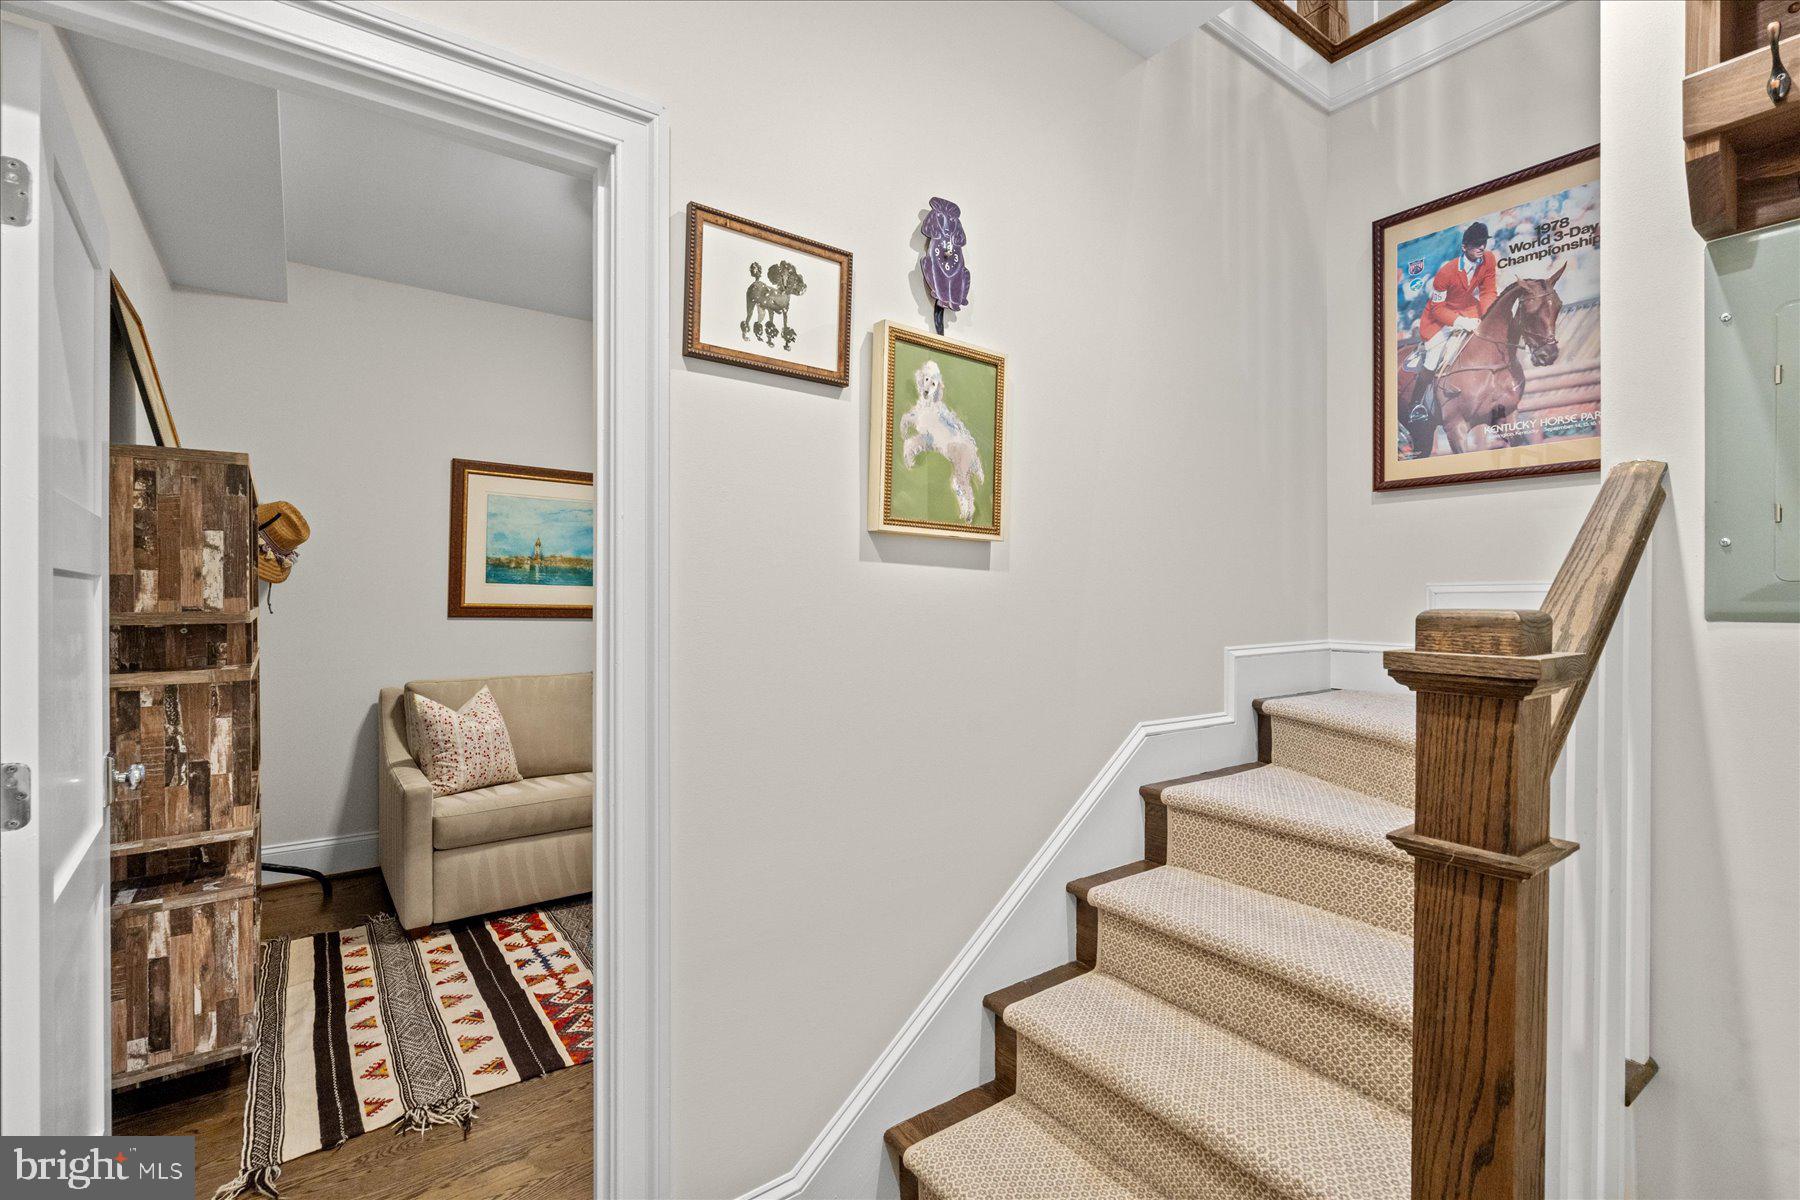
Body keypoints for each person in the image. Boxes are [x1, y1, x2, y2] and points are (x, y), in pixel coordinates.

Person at [1405, 221, 1498, 424]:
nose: (1481, 247)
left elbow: (1488, 291)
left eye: (1483, 242)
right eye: (1476, 244)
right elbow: (1438, 309)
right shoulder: (1446, 271)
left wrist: (1489, 314)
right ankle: (1416, 404)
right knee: (1433, 358)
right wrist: (1463, 323)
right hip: (1439, 318)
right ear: (1464, 247)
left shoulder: (1489, 259)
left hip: (1468, 308)